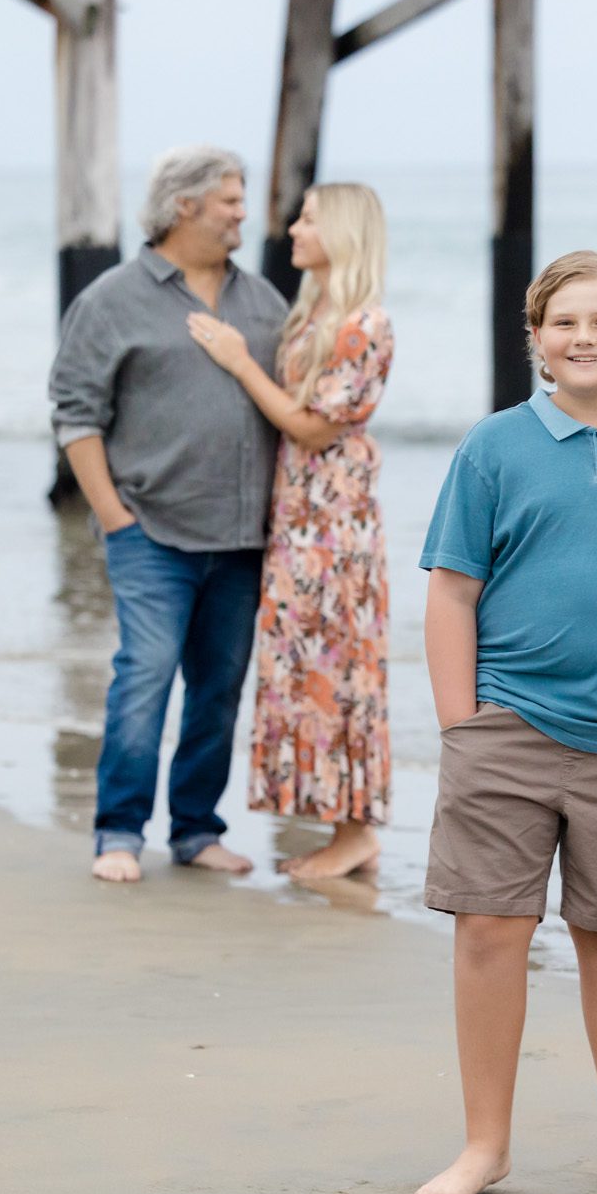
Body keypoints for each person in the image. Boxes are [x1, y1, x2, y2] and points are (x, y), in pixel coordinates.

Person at [414, 251, 597, 1194]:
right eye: (566, 322)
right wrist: (463, 725)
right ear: (536, 338)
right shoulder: (493, 446)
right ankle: (483, 1146)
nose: (586, 338)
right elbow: (451, 592)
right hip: (506, 724)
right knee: (491, 932)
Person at [50, 145, 290, 885]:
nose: (243, 211)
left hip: (244, 537)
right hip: (149, 532)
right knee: (145, 675)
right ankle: (118, 831)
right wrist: (115, 517)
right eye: (230, 198)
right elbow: (75, 415)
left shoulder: (263, 304)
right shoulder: (112, 299)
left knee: (219, 689)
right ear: (184, 205)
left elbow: (289, 406)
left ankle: (195, 829)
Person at [188, 183, 395, 881]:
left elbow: (312, 427)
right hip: (298, 521)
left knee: (338, 668)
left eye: (308, 217)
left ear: (339, 230)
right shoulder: (312, 316)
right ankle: (340, 824)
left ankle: (356, 831)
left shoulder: (364, 324)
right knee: (304, 667)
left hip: (334, 530)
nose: (293, 228)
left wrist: (239, 359)